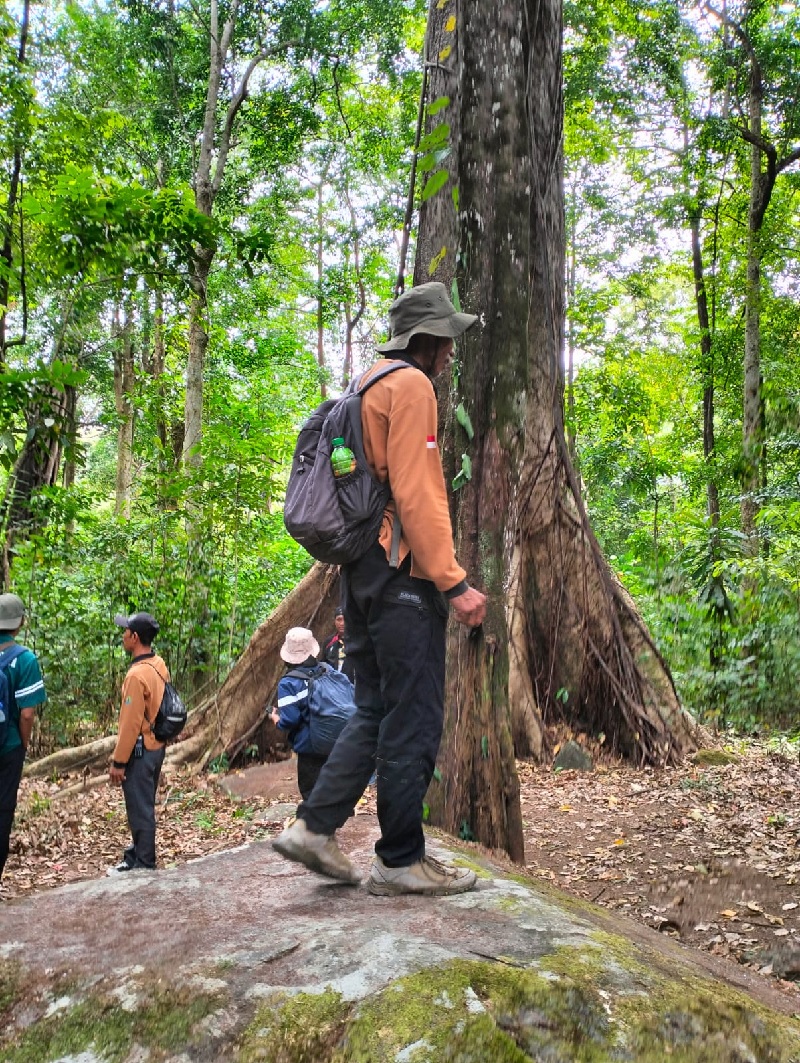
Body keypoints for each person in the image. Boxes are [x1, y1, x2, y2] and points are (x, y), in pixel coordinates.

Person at [273, 281, 487, 896]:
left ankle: (313, 829)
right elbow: (419, 493)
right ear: (426, 340)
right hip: (403, 579)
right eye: (447, 339)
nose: (451, 352)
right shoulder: (412, 387)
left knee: (372, 708)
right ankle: (399, 859)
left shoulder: (363, 385)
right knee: (413, 715)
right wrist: (453, 582)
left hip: (361, 575)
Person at [107, 611, 168, 873]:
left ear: (134, 637)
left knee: (140, 809)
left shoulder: (135, 676)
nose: (122, 636)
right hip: (157, 747)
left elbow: (130, 724)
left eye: (125, 632)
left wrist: (119, 761)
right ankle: (135, 855)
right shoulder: (158, 663)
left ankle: (145, 864)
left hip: (141, 752)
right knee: (143, 804)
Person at [0, 593, 46, 888]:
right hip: (8, 746)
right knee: (3, 810)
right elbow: (27, 714)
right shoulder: (25, 660)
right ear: (19, 624)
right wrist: (24, 744)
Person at [269, 627, 333, 801]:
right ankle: (332, 817)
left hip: (309, 744)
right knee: (329, 782)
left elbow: (290, 719)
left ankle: (318, 824)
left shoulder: (288, 683)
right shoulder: (326, 670)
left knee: (310, 789)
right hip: (334, 737)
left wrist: (276, 719)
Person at [320, 606, 355, 683]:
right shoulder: (329, 642)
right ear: (334, 621)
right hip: (334, 687)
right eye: (339, 620)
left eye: (345, 619)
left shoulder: (357, 641)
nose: (342, 623)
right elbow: (323, 664)